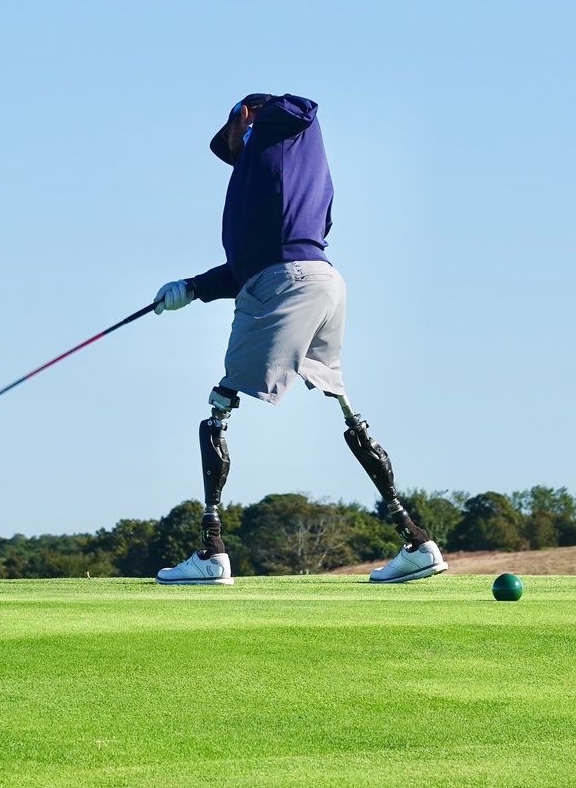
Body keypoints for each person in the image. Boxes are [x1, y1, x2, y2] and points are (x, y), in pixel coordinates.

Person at [150, 93, 447, 585]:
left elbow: (299, 106)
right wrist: (193, 289)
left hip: (285, 282)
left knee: (220, 403)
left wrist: (253, 120)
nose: (230, 153)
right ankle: (417, 541)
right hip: (323, 281)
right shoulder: (275, 180)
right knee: (344, 404)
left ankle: (212, 552)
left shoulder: (280, 126)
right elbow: (252, 263)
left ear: (243, 115)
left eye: (229, 138)